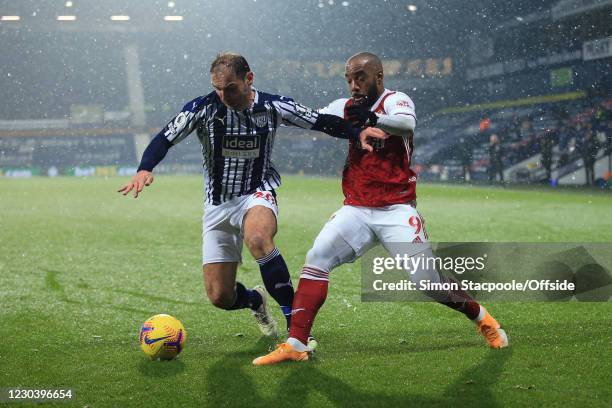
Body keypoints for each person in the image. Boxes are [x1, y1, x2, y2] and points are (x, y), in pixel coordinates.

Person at [253, 52, 508, 366]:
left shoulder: (395, 100)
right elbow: (312, 119)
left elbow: (405, 125)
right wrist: (266, 111)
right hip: (357, 209)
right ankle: (296, 343)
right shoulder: (343, 107)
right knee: (317, 257)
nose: (354, 84)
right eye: (349, 78)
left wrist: (371, 118)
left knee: (427, 283)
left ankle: (483, 319)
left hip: (397, 210)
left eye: (360, 76)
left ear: (379, 76)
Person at [118, 52, 385, 339]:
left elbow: (319, 121)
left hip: (257, 193)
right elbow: (164, 138)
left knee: (258, 238)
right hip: (217, 205)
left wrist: (355, 132)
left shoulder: (273, 106)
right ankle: (254, 301)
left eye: (230, 88)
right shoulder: (202, 108)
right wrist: (145, 168)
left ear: (249, 79)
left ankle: (295, 329)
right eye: (217, 89)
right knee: (220, 296)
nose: (222, 95)